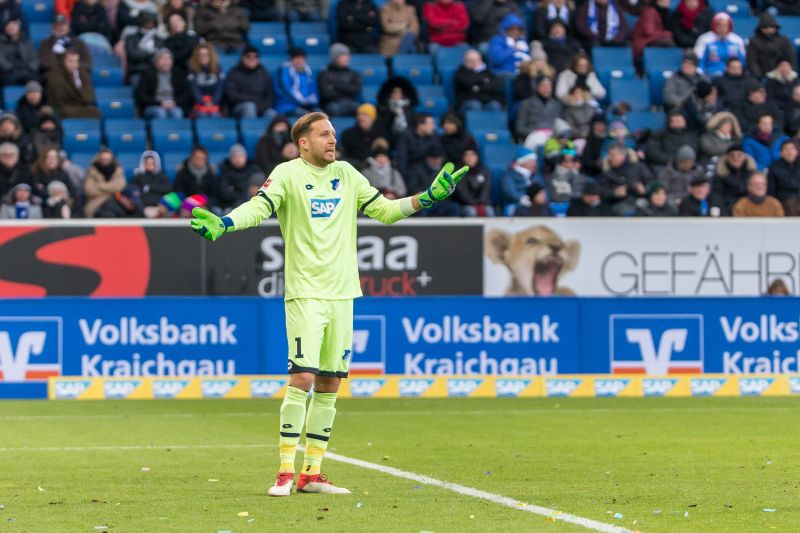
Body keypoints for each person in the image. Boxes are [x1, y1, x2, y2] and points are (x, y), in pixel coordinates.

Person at [189, 112, 469, 496]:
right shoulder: (287, 173)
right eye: (324, 134)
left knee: (330, 382)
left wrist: (428, 197)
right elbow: (259, 207)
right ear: (303, 142)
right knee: (302, 376)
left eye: (333, 134)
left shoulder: (348, 175)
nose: (332, 140)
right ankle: (285, 471)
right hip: (306, 291)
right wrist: (225, 223)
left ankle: (311, 474)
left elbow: (385, 212)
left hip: (343, 293)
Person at [134, 48, 190, 119]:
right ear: (156, 62)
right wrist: (160, 103)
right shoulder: (147, 74)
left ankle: (174, 130)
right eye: (162, 59)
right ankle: (160, 130)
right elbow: (142, 95)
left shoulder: (178, 74)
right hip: (153, 105)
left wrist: (175, 102)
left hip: (174, 105)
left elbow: (185, 93)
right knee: (160, 112)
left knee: (177, 112)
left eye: (169, 59)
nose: (166, 62)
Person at [47, 49, 101, 119]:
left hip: (81, 107)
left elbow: (90, 97)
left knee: (96, 112)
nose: (73, 64)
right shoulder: (56, 75)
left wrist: (78, 95)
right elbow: (61, 97)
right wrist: (80, 96)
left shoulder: (83, 74)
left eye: (76, 61)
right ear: (64, 61)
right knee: (65, 112)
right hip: (64, 107)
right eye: (70, 61)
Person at [225, 46, 275, 119]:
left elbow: (269, 96)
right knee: (249, 107)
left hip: (260, 107)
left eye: (255, 57)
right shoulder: (234, 72)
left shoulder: (264, 73)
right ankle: (253, 129)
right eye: (248, 56)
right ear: (243, 58)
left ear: (258, 59)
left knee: (273, 115)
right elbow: (232, 95)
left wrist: (260, 106)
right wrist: (252, 101)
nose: (252, 59)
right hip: (238, 107)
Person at [39, 13, 92, 78]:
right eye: (57, 25)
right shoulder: (46, 43)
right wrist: (63, 68)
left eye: (63, 25)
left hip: (76, 74)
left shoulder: (79, 42)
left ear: (68, 27)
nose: (60, 28)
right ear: (53, 28)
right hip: (55, 76)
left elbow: (87, 62)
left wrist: (72, 66)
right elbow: (44, 63)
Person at [693, 12, 745, 77]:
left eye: (725, 26)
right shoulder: (704, 39)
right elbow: (698, 60)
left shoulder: (737, 40)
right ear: (714, 25)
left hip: (732, 75)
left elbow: (742, 61)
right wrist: (700, 74)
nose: (722, 28)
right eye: (719, 25)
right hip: (711, 74)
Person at [746, 13, 796, 80]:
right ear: (760, 28)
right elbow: (752, 61)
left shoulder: (784, 40)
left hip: (783, 76)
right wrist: (758, 76)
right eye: (765, 27)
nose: (768, 29)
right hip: (762, 76)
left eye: (771, 26)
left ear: (776, 27)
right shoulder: (754, 41)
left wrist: (789, 73)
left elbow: (791, 58)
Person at [454, 49, 505, 113]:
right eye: (470, 61)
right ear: (465, 62)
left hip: (486, 101)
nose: (474, 63)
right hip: (467, 102)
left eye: (476, 60)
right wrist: (484, 80)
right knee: (475, 105)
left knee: (494, 105)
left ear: (481, 60)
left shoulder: (487, 72)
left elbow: (496, 86)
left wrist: (477, 87)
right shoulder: (460, 72)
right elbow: (467, 82)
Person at [318, 44, 362, 117]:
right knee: (334, 109)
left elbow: (355, 90)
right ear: (335, 57)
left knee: (362, 110)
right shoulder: (325, 74)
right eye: (344, 55)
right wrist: (347, 89)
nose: (347, 58)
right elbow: (326, 94)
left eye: (347, 55)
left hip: (350, 102)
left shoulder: (353, 73)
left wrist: (335, 85)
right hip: (333, 103)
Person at [274, 47, 321, 116]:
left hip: (306, 106)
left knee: (322, 115)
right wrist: (301, 103)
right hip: (287, 106)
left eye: (302, 58)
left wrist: (311, 103)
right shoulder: (283, 71)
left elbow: (313, 91)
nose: (300, 61)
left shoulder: (308, 73)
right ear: (292, 59)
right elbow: (284, 91)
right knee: (307, 117)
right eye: (297, 58)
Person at [516, 76, 562, 145]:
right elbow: (520, 127)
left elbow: (560, 125)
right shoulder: (526, 103)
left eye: (549, 86)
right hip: (534, 136)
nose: (546, 88)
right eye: (543, 85)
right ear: (537, 87)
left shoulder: (557, 104)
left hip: (553, 137)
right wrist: (535, 132)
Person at [712, 143, 756, 214]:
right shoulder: (720, 176)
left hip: (750, 210)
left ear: (744, 156)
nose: (736, 158)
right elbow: (717, 197)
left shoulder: (752, 175)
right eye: (732, 155)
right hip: (728, 211)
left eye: (739, 155)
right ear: (727, 157)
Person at [394, 113, 442, 178]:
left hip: (428, 170)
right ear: (420, 125)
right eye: (430, 124)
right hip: (411, 171)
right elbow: (402, 158)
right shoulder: (406, 136)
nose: (433, 126)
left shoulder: (434, 136)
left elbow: (438, 155)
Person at [218, 144, 263, 210]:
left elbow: (259, 190)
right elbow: (225, 194)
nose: (238, 159)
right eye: (234, 156)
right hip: (232, 206)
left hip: (252, 205)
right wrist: (247, 191)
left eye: (241, 156)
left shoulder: (254, 169)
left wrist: (234, 190)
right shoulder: (225, 171)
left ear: (245, 157)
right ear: (230, 158)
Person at [83, 149, 126, 218]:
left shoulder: (118, 170)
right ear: (99, 159)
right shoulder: (92, 171)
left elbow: (120, 186)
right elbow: (89, 190)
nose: (105, 161)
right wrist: (111, 190)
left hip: (115, 202)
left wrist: (99, 185)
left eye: (108, 159)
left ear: (112, 159)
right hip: (96, 203)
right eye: (103, 159)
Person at [124, 11, 163, 86]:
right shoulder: (131, 38)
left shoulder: (159, 40)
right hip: (137, 72)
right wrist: (151, 52)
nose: (150, 25)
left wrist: (141, 52)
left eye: (152, 22)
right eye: (147, 22)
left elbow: (160, 56)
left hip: (155, 72)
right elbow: (132, 55)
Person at [188, 43, 225, 117]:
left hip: (215, 104)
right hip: (197, 105)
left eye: (206, 54)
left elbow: (220, 88)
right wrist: (203, 102)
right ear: (197, 57)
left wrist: (213, 102)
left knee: (215, 115)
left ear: (211, 56)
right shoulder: (192, 70)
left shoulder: (218, 69)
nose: (203, 57)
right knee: (202, 114)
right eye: (200, 55)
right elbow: (194, 89)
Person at [453, 148, 493, 216]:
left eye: (472, 155)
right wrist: (474, 204)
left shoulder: (485, 171)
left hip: (482, 203)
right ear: (463, 157)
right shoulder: (459, 173)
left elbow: (486, 190)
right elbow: (463, 194)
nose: (470, 158)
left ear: (477, 157)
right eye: (467, 155)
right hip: (465, 205)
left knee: (489, 211)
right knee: (471, 211)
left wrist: (480, 203)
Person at [376, 76, 418, 141]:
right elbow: (382, 127)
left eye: (399, 92)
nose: (396, 94)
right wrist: (392, 114)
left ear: (402, 94)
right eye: (394, 92)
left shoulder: (409, 109)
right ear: (390, 94)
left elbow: (413, 126)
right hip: (389, 138)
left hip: (406, 139)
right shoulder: (383, 109)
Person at [0, 18, 38, 86]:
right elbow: (1, 60)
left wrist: (30, 68)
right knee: (8, 80)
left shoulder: (27, 41)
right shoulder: (1, 43)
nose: (11, 27)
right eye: (8, 25)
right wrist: (10, 69)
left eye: (14, 24)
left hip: (27, 71)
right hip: (10, 72)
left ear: (19, 26)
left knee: (36, 79)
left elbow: (35, 58)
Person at [501, 147, 539, 214]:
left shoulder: (536, 175)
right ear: (522, 162)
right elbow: (510, 191)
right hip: (516, 203)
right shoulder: (510, 174)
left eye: (534, 161)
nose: (534, 164)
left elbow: (544, 190)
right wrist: (521, 198)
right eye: (531, 161)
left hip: (535, 203)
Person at [767, 139, 800, 205]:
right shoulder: (774, 167)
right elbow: (771, 191)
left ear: (797, 152)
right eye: (786, 149)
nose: (789, 152)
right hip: (782, 202)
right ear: (781, 153)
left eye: (792, 149)